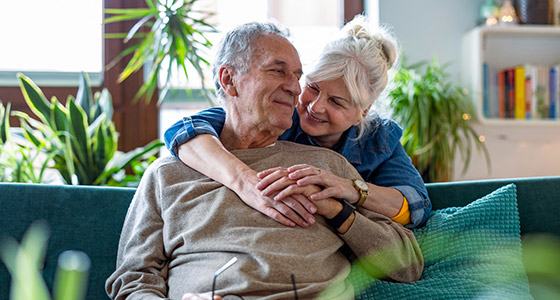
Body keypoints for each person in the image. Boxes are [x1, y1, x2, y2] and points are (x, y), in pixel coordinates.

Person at [106, 21, 423, 300]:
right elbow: (133, 279)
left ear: (361, 113)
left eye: (297, 76)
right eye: (278, 71)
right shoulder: (170, 173)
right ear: (229, 80)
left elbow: (409, 255)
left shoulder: (329, 169)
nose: (297, 90)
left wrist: (340, 209)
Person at [164, 15, 431, 230]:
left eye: (336, 102)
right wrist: (245, 182)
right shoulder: (279, 116)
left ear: (363, 111)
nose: (315, 106)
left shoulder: (379, 138)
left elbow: (416, 205)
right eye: (313, 88)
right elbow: (184, 131)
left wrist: (350, 188)